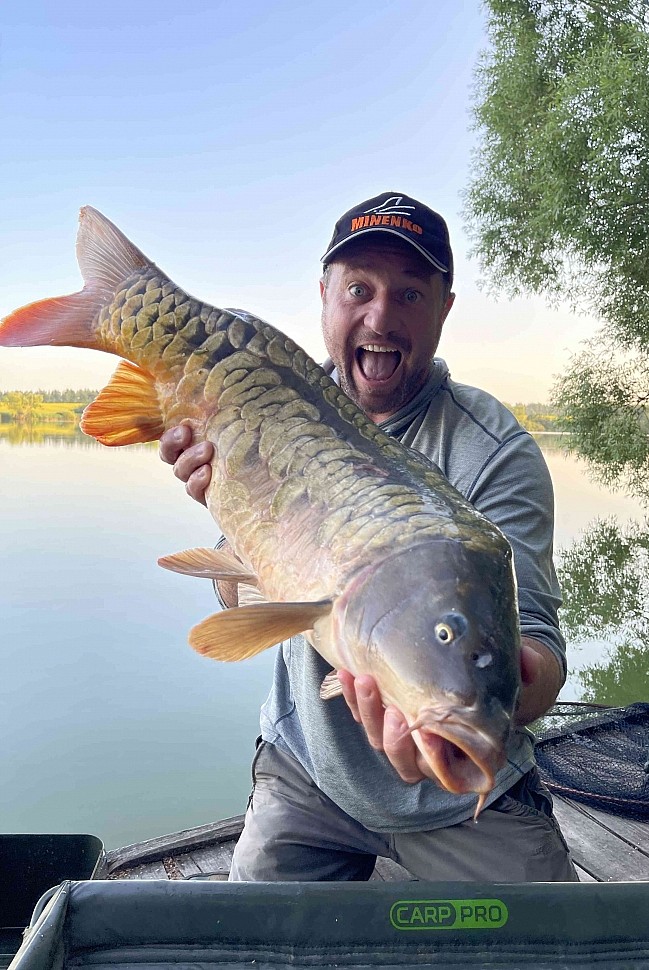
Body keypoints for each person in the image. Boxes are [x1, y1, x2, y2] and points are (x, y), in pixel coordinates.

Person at [160, 191, 578, 883]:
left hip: (463, 797)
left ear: (445, 307)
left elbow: (537, 647)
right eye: (359, 289)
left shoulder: (495, 450)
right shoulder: (265, 412)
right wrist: (227, 507)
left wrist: (494, 703)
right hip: (307, 768)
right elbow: (239, 600)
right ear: (324, 296)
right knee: (245, 936)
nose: (380, 317)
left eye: (410, 294)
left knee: (552, 936)